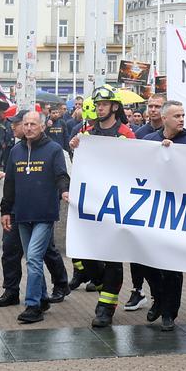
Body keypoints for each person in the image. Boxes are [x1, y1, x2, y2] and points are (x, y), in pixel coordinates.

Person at [69, 86, 140, 321]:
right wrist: (74, 148)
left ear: (114, 107)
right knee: (86, 253)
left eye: (104, 104)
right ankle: (98, 281)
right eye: (97, 104)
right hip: (91, 202)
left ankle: (105, 308)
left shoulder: (126, 134)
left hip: (116, 202)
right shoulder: (87, 134)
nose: (99, 107)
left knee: (113, 255)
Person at [0, 109, 71, 324]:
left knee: (33, 258)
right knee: (32, 259)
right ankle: (41, 297)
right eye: (26, 124)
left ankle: (33, 306)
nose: (29, 128)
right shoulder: (16, 151)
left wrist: (64, 190)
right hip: (22, 214)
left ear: (42, 126)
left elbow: (61, 174)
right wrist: (5, 210)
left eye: (33, 124)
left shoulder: (54, 149)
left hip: (44, 214)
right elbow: (10, 183)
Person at [138, 101, 186, 330]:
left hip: (176, 209)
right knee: (145, 260)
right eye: (176, 116)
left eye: (183, 115)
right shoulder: (148, 141)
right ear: (164, 119)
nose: (182, 119)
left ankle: (169, 313)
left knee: (172, 265)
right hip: (152, 208)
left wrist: (173, 154)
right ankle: (159, 298)